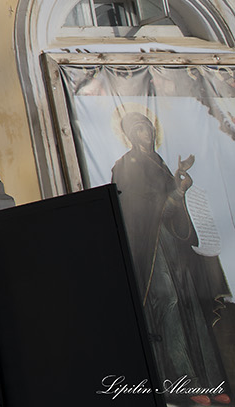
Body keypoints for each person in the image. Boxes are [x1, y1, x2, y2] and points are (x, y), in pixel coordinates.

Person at [112, 111, 229, 399]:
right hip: (151, 250)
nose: (147, 134)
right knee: (170, 303)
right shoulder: (124, 166)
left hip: (173, 243)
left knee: (190, 302)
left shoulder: (160, 164)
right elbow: (139, 212)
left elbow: (170, 209)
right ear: (129, 134)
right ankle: (184, 382)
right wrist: (176, 193)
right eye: (140, 130)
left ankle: (210, 380)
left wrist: (178, 185)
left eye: (149, 129)